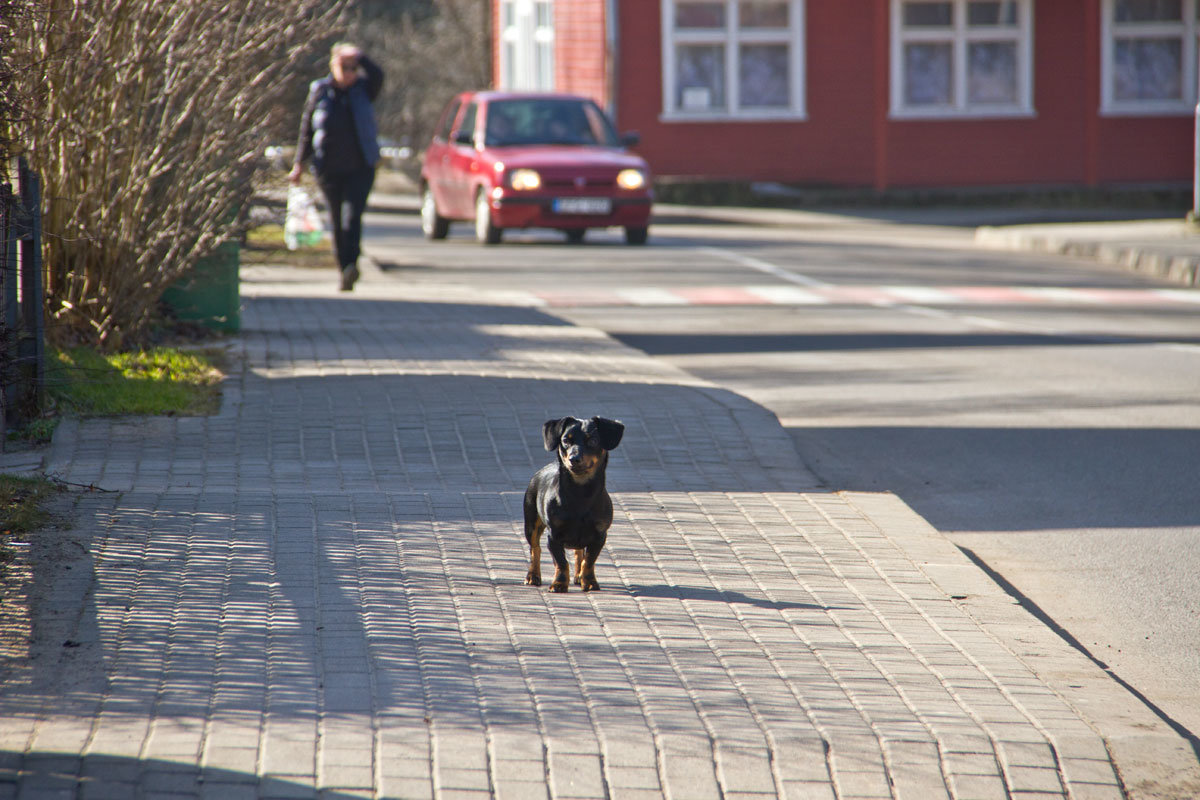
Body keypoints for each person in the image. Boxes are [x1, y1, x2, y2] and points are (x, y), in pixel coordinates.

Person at [289, 43, 383, 291]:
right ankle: (344, 269)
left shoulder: (364, 89)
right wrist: (299, 163)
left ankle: (352, 262)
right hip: (327, 168)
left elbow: (379, 75)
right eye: (344, 66)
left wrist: (360, 55)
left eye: (353, 68)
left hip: (361, 166)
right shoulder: (319, 91)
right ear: (333, 66)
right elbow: (307, 130)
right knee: (336, 218)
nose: (349, 72)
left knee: (352, 218)